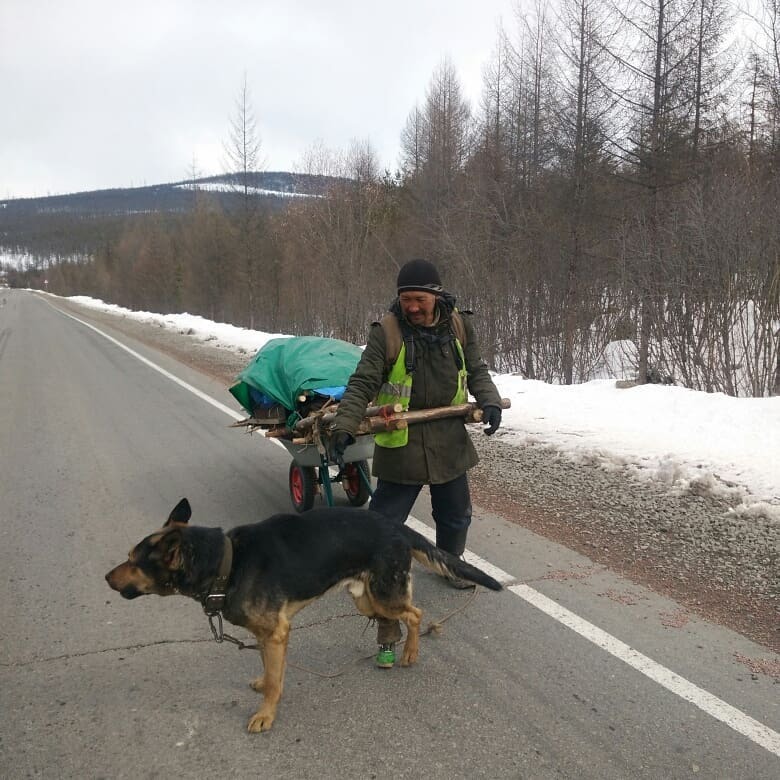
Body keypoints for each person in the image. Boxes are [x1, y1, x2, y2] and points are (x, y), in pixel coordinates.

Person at [330, 258, 503, 668]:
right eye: (405, 300)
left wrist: (490, 399)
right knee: (383, 524)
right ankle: (373, 582)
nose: (411, 308)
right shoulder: (386, 333)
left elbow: (476, 368)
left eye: (419, 300)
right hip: (402, 445)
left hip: (447, 439)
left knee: (456, 514)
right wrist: (345, 423)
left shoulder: (460, 326)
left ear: (437, 297)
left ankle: (451, 566)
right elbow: (363, 381)